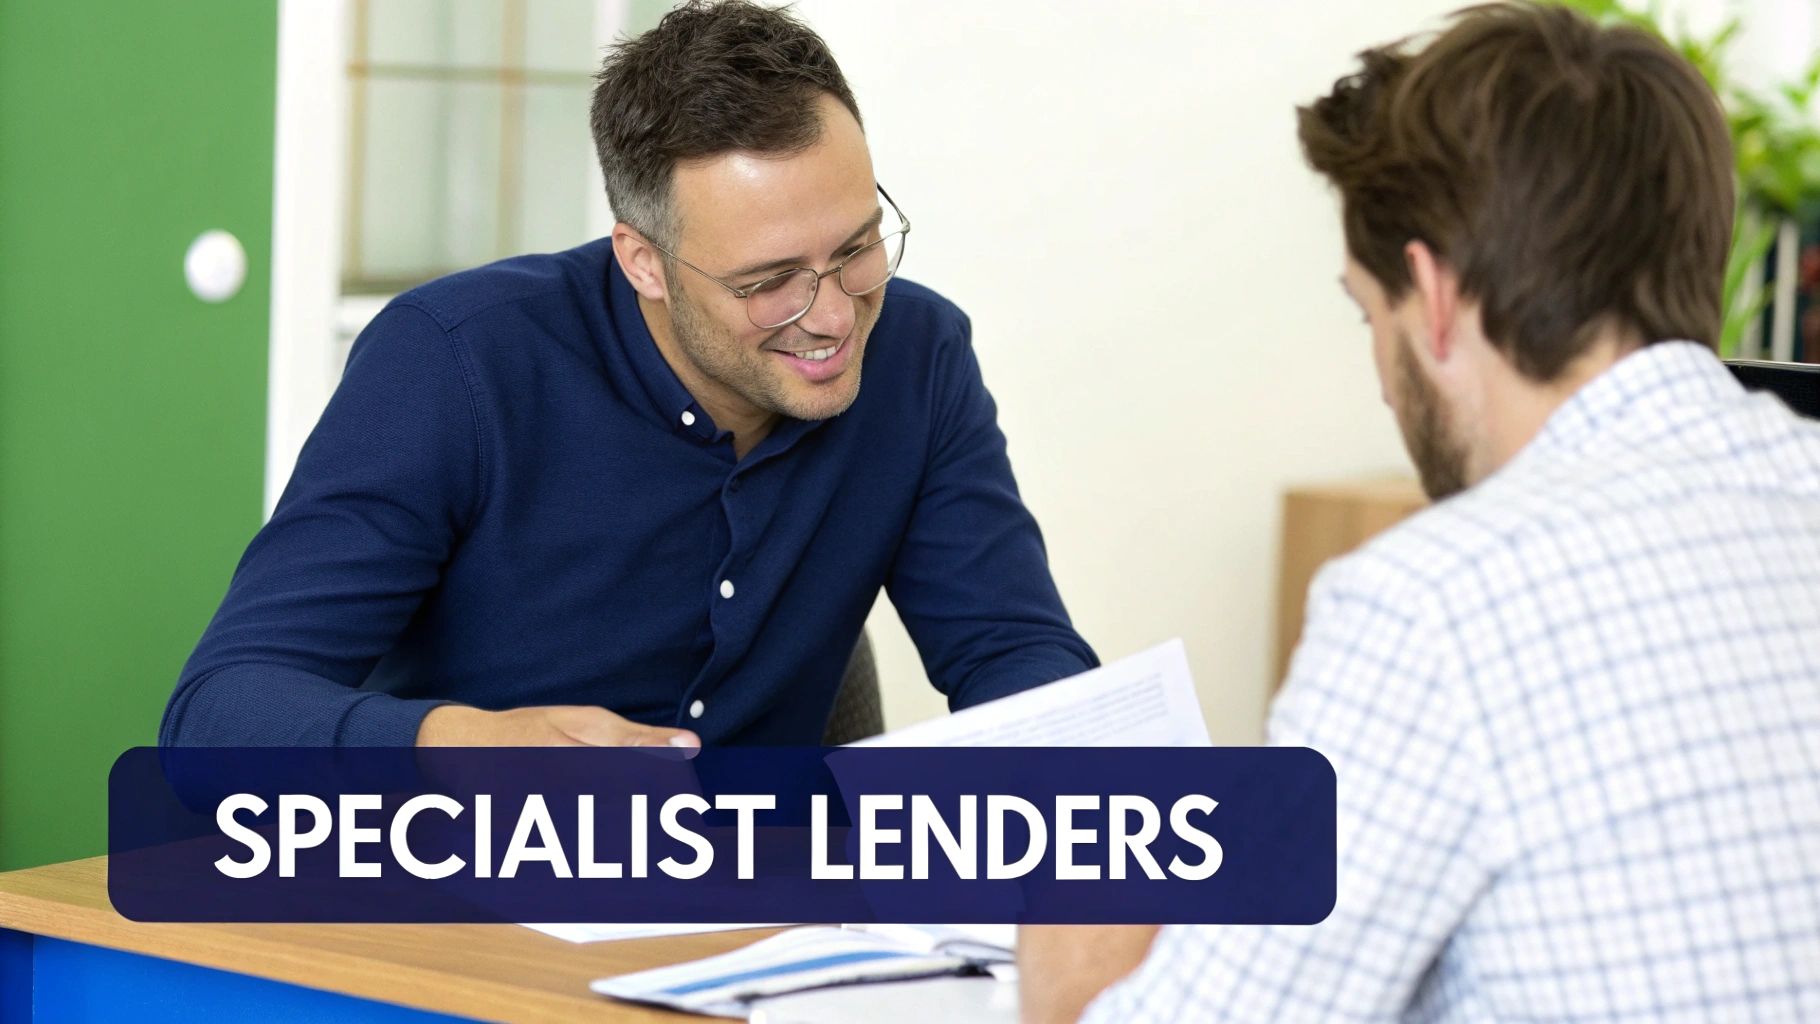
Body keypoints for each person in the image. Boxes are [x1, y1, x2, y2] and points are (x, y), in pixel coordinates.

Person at [1020, 4, 1820, 1020]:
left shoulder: (1431, 604)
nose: (1383, 386)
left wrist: (1070, 972)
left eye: (1369, 312)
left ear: (1432, 299)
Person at [162, 0, 1095, 749]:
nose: (835, 316)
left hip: (777, 930)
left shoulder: (921, 354)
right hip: (477, 920)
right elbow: (215, 719)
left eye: (856, 248)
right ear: (642, 260)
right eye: (769, 283)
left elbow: (1014, 652)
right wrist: (462, 748)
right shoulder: (454, 361)